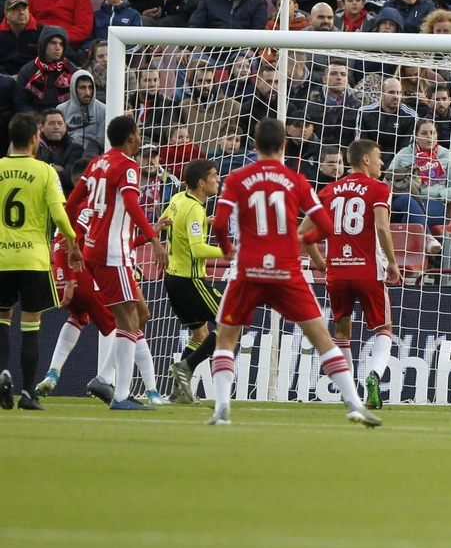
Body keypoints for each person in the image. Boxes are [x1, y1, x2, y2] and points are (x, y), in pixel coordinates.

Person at [206, 117, 378, 427]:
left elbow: (219, 223)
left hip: (247, 268)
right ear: (284, 145)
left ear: (254, 145)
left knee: (226, 339)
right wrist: (300, 239)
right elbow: (325, 226)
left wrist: (227, 248)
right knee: (323, 339)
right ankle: (354, 404)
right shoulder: (296, 180)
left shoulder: (236, 178)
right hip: (286, 269)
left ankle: (221, 408)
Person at [69, 115, 166, 409]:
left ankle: (104, 378)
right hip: (113, 253)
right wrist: (154, 240)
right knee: (129, 321)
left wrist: (73, 243)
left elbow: (71, 204)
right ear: (131, 137)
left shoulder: (96, 164)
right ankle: (121, 394)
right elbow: (132, 204)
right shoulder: (127, 166)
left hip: (95, 251)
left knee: (141, 314)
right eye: (138, 132)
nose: (140, 137)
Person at [300, 138, 401, 413]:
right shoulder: (379, 188)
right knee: (384, 329)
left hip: (337, 272)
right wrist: (392, 262)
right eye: (379, 157)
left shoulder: (330, 190)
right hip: (368, 271)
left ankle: (350, 393)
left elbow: (303, 234)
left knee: (342, 331)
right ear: (366, 159)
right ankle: (374, 376)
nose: (382, 162)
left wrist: (320, 263)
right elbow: (382, 227)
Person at [0, 112, 81, 410]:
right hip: (33, 258)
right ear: (35, 138)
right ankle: (28, 393)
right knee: (31, 324)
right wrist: (73, 242)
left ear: (12, 139)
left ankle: (2, 372)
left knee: (2, 319)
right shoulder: (46, 172)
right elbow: (59, 214)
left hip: (2, 258)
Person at [157, 156, 224, 404]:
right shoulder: (195, 208)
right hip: (191, 280)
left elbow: (164, 223)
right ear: (201, 182)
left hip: (173, 279)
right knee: (232, 322)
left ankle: (178, 393)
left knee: (200, 334)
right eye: (214, 175)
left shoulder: (178, 198)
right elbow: (198, 250)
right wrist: (230, 252)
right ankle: (185, 367)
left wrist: (201, 223)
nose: (218, 180)